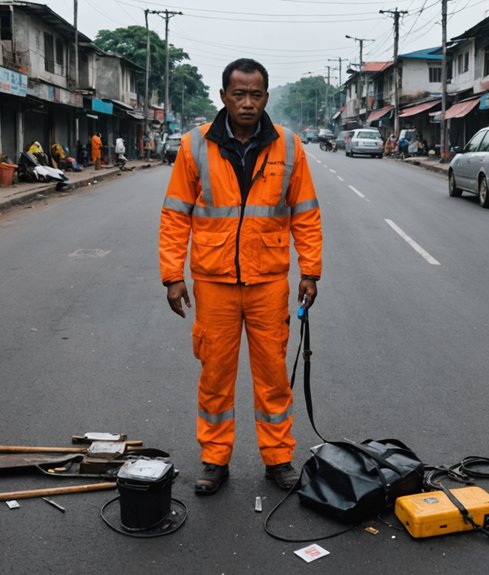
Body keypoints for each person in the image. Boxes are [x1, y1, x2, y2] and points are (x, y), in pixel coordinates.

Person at [159, 58, 322, 496]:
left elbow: (306, 213)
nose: (247, 103)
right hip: (213, 284)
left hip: (269, 282)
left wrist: (311, 269)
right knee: (215, 377)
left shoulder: (289, 146)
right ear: (224, 97)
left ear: (266, 97)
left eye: (256, 94)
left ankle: (278, 458)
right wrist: (172, 275)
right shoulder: (194, 146)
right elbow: (175, 216)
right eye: (239, 94)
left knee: (272, 376)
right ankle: (214, 460)